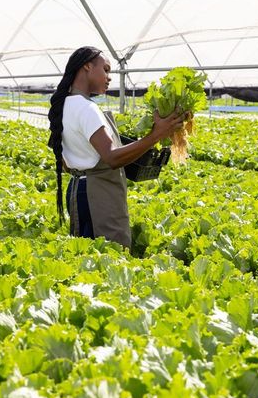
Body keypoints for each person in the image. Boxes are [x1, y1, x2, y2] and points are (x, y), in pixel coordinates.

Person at [48, 46, 187, 249]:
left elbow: (66, 163)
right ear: (87, 66)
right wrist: (157, 134)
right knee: (110, 256)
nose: (109, 77)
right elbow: (112, 157)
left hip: (78, 189)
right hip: (98, 195)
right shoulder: (87, 109)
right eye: (105, 69)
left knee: (86, 257)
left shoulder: (64, 105)